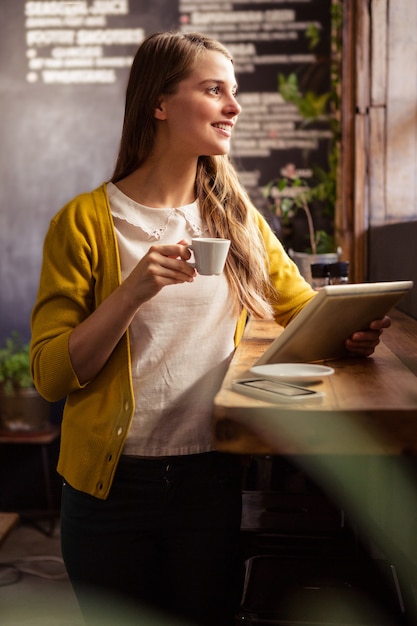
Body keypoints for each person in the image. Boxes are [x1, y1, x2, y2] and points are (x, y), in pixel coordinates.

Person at [30, 31, 390, 626]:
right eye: (214, 89)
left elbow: (301, 307)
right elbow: (49, 377)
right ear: (159, 104)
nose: (235, 105)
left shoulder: (236, 217)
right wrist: (132, 292)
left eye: (235, 91)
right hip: (108, 490)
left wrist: (350, 331)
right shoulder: (85, 222)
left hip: (210, 478)